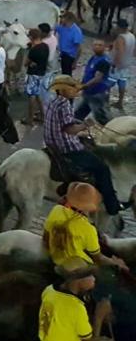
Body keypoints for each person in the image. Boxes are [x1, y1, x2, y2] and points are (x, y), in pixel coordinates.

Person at [43, 75, 123, 217]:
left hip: (51, 142)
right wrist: (85, 125)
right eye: (72, 88)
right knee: (102, 168)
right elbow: (69, 130)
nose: (75, 91)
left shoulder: (52, 101)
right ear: (63, 90)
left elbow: (63, 121)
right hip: (66, 147)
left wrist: (77, 122)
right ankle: (113, 206)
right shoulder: (65, 104)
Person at [43, 181, 126, 271]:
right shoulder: (88, 229)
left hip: (57, 260)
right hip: (81, 268)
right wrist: (116, 263)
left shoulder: (56, 210)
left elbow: (45, 238)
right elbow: (98, 258)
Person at [37, 257, 111, 341]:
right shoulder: (76, 307)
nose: (94, 279)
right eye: (90, 276)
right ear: (79, 280)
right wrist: (99, 317)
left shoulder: (49, 290)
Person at [75, 38, 112, 125]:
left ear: (105, 47)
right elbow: (88, 72)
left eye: (100, 45)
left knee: (102, 117)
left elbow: (98, 78)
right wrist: (82, 83)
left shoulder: (103, 61)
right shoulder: (94, 57)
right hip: (89, 92)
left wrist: (84, 86)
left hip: (97, 93)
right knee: (78, 114)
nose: (97, 47)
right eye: (95, 45)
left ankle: (110, 132)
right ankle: (74, 130)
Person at [25, 28, 51, 125]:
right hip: (41, 73)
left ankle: (30, 119)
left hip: (33, 74)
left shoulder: (34, 49)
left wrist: (30, 60)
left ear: (31, 37)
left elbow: (25, 63)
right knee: (38, 95)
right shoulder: (45, 46)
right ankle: (43, 116)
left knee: (31, 96)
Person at [112, 18, 134, 109]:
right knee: (122, 81)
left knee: (109, 82)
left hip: (119, 64)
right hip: (127, 62)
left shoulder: (121, 37)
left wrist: (115, 63)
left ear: (120, 27)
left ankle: (104, 101)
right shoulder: (132, 36)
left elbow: (120, 51)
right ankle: (120, 102)